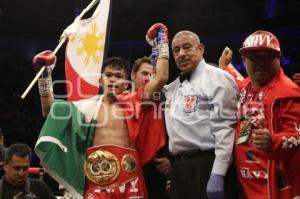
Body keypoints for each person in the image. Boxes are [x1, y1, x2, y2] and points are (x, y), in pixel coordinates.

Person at [33, 23, 169, 199]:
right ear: (100, 80)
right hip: (96, 181)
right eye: (108, 75)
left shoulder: (134, 102)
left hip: (130, 179)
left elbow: (161, 78)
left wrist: (162, 44)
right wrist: (45, 76)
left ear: (126, 82)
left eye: (118, 76)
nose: (113, 79)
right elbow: (49, 111)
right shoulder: (86, 107)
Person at [219, 30, 300, 199]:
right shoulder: (248, 85)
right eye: (254, 57)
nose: (260, 62)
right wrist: (225, 66)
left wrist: (274, 141)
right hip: (246, 184)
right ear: (244, 60)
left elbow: (296, 136)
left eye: (267, 56)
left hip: (275, 187)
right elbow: (238, 79)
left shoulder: (289, 93)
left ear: (279, 59)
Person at [163, 30, 239, 199]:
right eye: (176, 50)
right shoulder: (172, 87)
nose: (181, 54)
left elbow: (226, 128)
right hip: (180, 168)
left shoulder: (218, 78)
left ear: (201, 49)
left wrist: (218, 172)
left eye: (187, 47)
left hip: (207, 164)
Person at [131, 56, 172, 199]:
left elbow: (178, 135)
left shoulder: (165, 103)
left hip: (156, 171)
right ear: (133, 75)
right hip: (126, 169)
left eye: (151, 75)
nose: (148, 79)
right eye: (144, 73)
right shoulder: (119, 101)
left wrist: (170, 160)